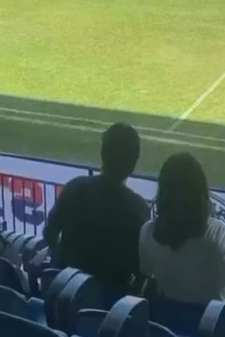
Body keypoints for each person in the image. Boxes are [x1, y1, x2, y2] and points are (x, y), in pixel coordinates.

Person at [138, 153, 225, 337]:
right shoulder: (218, 234)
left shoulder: (147, 232)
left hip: (172, 331)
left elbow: (147, 276)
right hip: (216, 332)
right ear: (200, 191)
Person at [44, 123, 150, 294]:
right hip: (110, 304)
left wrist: (61, 261)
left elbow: (49, 233)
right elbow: (141, 269)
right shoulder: (138, 209)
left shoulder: (74, 188)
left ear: (102, 154)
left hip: (65, 293)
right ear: (134, 163)